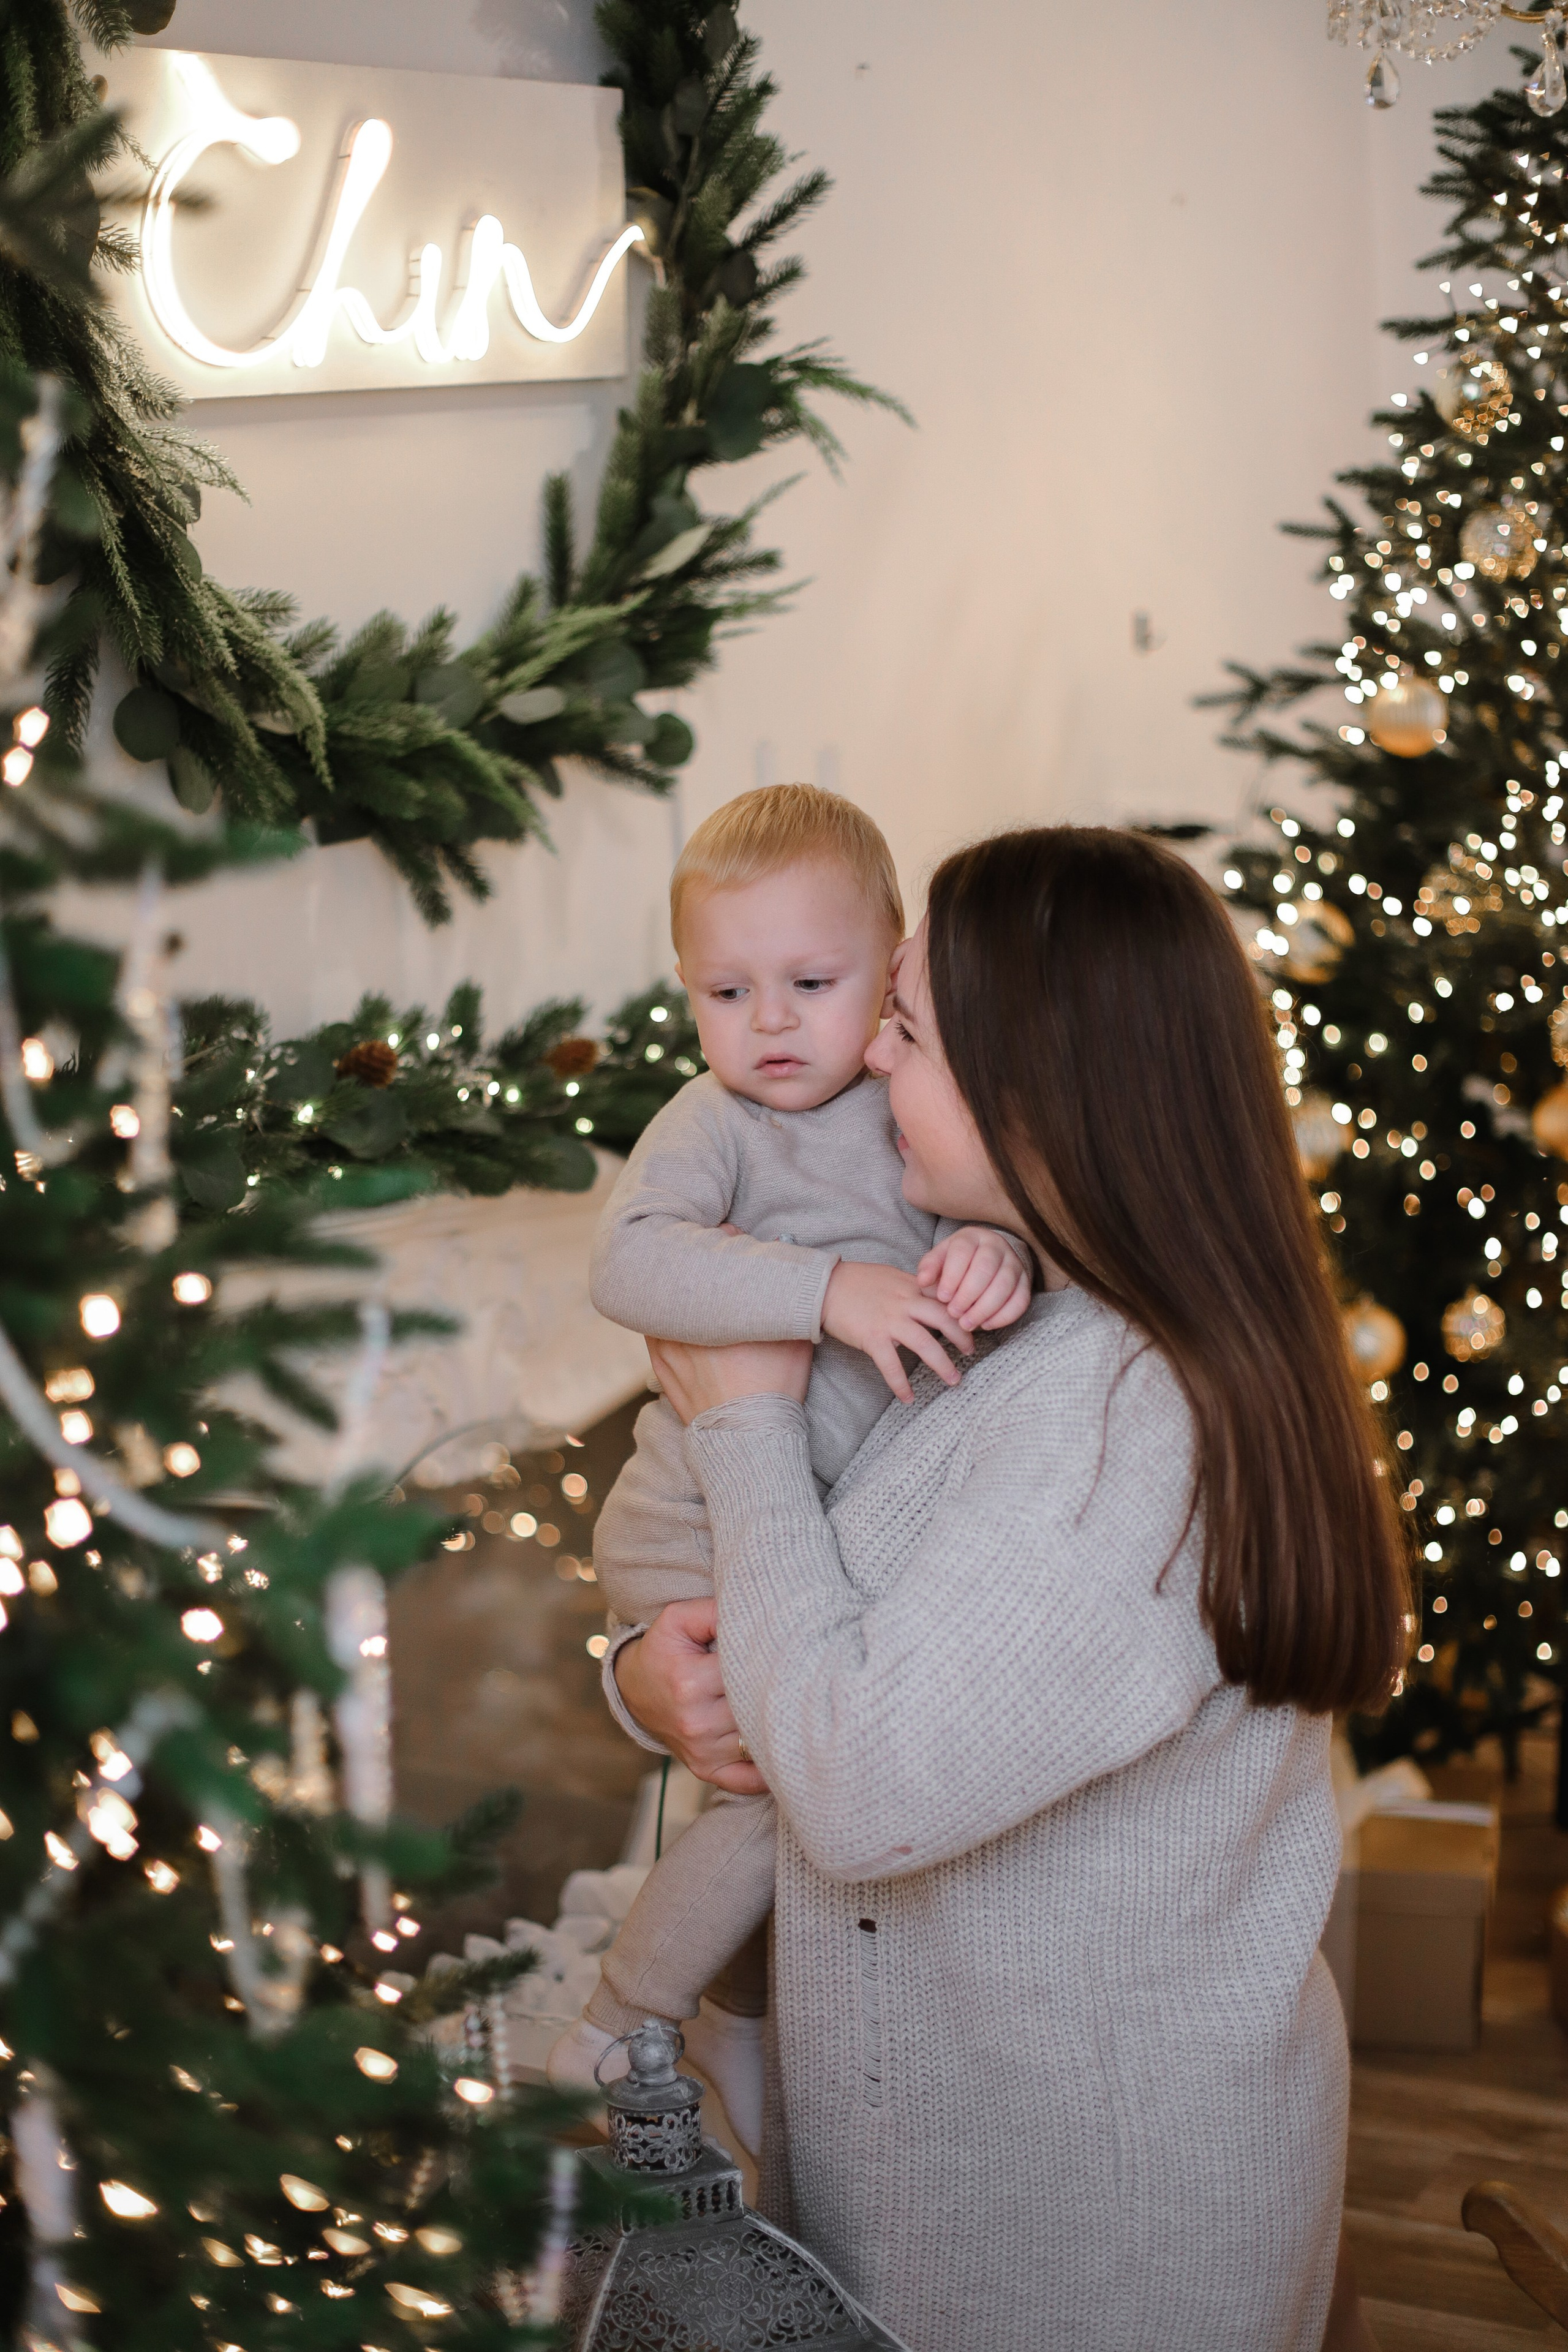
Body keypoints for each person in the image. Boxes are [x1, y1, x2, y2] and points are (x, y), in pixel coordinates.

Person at [611, 825, 1409, 2352]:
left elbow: (851, 1780)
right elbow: (822, 1629)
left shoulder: (1121, 1424)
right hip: (944, 2187)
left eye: (900, 1034)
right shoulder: (1022, 1326)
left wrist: (742, 1420)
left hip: (1071, 2237)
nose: (859, 1071)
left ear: (1037, 1087)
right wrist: (646, 1669)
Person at [547, 784, 1030, 2146]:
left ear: (891, 973)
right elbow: (626, 1260)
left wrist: (997, 1255)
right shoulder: (713, 1123)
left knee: (776, 1824)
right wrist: (831, 1293)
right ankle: (615, 2021)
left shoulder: (913, 1107)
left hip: (815, 1536)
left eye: (809, 983)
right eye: (724, 990)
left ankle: (733, 2034)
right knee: (775, 1812)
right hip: (694, 1518)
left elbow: (1001, 1230)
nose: (766, 1024)